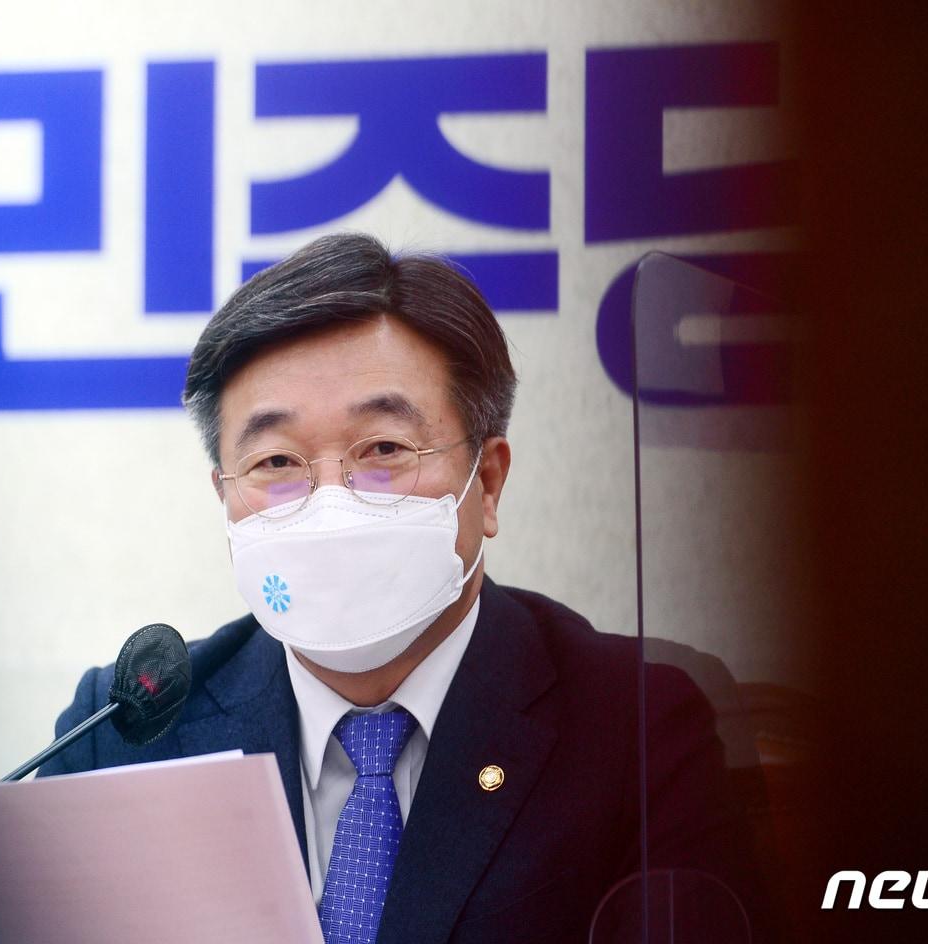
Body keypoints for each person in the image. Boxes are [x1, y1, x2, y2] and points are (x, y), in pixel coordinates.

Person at [39, 232, 760, 943]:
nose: (330, 505)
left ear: (487, 483)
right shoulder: (126, 733)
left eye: (384, 449)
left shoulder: (637, 728)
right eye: (276, 462)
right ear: (224, 496)